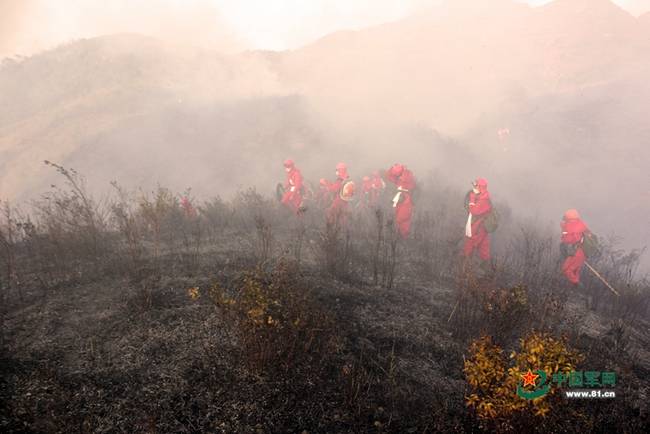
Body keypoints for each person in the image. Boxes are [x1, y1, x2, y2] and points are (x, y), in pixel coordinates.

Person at [463, 178, 492, 264]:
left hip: (479, 228)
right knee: (483, 249)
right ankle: (486, 269)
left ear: (480, 187)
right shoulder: (481, 196)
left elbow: (474, 211)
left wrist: (472, 198)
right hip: (478, 227)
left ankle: (467, 267)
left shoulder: (484, 199)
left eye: (476, 186)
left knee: (471, 247)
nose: (474, 188)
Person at [560, 209, 590, 285]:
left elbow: (570, 239)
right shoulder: (580, 224)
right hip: (582, 251)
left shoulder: (572, 226)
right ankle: (576, 284)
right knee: (575, 270)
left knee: (566, 269)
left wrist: (564, 228)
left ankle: (577, 286)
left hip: (578, 251)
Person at [386, 163, 416, 238]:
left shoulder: (406, 178)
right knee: (400, 220)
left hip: (405, 201)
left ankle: (402, 237)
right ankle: (400, 237)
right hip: (403, 199)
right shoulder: (403, 177)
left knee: (402, 220)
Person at [321, 162, 354, 226]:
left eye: (337, 170)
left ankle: (332, 229)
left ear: (341, 170)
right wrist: (329, 183)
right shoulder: (347, 178)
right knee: (343, 216)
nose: (336, 172)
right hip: (346, 201)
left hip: (339, 200)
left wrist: (325, 183)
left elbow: (334, 189)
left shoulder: (340, 179)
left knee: (330, 212)